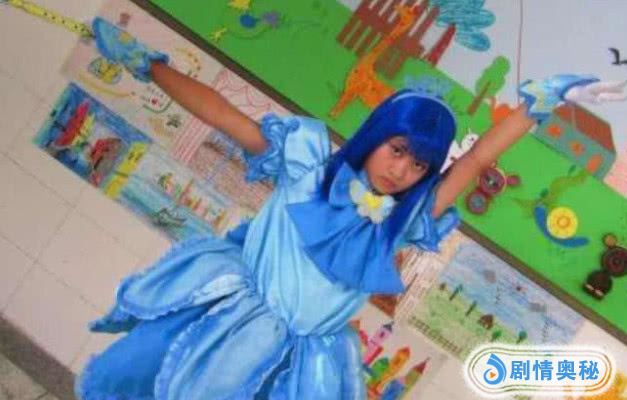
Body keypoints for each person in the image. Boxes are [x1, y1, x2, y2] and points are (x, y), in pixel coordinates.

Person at [76, 17, 626, 400]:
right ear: (377, 136)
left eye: (419, 165)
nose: (402, 171)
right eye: (398, 150)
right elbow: (222, 114)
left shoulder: (402, 223)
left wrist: (541, 104)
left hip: (295, 367)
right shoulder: (306, 165)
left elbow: (479, 157)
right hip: (227, 323)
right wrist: (147, 65)